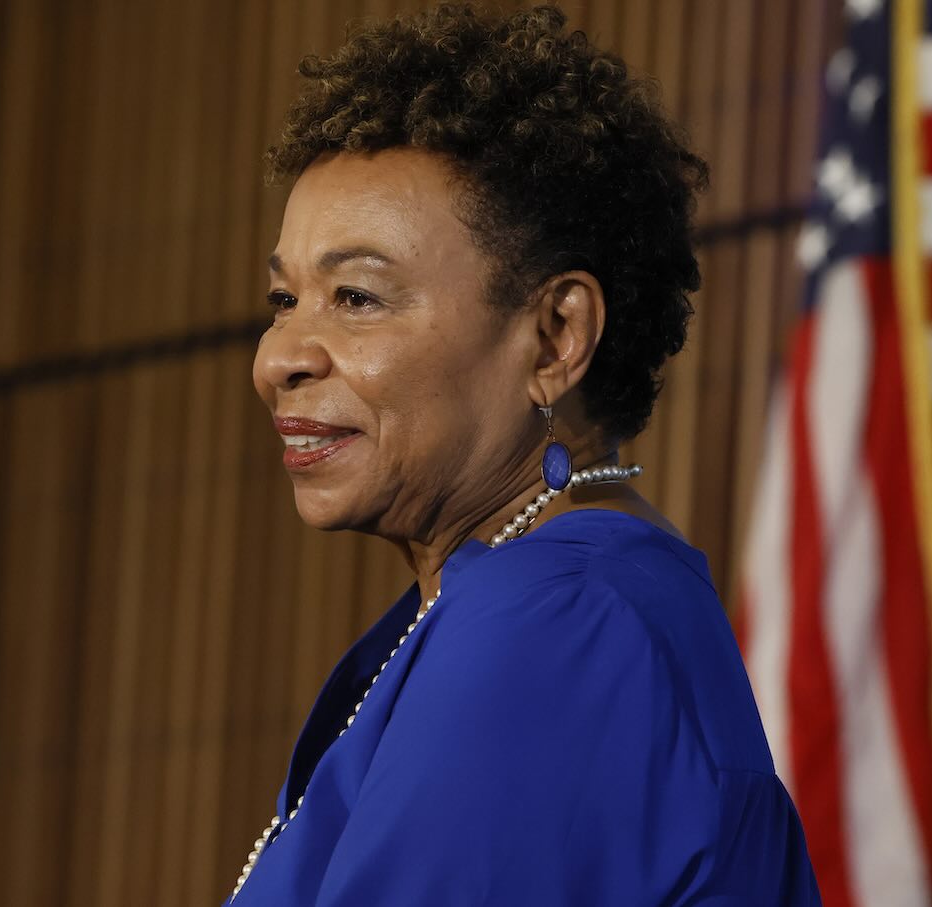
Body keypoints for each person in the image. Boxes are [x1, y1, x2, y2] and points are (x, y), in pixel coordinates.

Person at [230, 5, 820, 904]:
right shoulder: (540, 601)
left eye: (356, 296)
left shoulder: (559, 628)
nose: (279, 360)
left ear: (554, 337)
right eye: (283, 299)